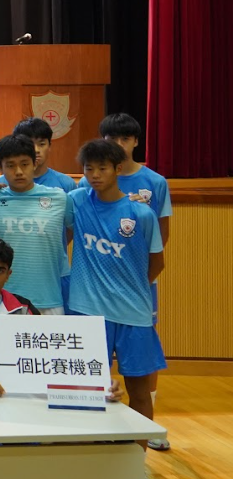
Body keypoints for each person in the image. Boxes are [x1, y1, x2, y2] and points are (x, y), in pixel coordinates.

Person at [67, 139, 166, 479]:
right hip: (86, 311)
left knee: (139, 392)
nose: (94, 175)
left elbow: (157, 263)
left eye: (102, 168)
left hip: (133, 314)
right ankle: (91, 466)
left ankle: (136, 467)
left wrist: (128, 290)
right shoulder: (76, 201)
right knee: (86, 393)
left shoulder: (141, 214)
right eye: (89, 168)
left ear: (118, 170)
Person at [0, 236, 126, 401]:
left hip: (18, 403)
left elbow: (53, 359)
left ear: (8, 274)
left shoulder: (24, 309)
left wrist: (100, 385)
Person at [93, 112, 173, 454]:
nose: (118, 144)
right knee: (96, 367)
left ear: (136, 141)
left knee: (141, 363)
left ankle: (147, 431)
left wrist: (136, 282)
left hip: (138, 289)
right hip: (97, 295)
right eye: (111, 138)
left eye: (125, 138)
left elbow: (160, 240)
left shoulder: (155, 182)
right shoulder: (89, 184)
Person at [0, 135, 71, 314]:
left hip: (48, 299)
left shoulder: (59, 197)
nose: (18, 171)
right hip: (3, 301)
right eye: (10, 165)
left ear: (34, 164)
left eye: (24, 164)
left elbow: (71, 230)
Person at [11, 117, 78, 192]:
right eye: (30, 144)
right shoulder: (3, 183)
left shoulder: (66, 184)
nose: (36, 150)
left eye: (41, 144)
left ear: (49, 146)